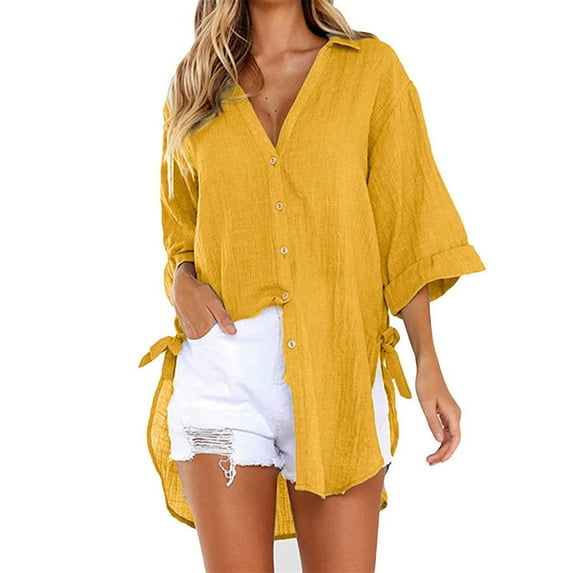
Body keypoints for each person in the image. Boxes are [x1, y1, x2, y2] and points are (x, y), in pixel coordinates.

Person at [138, 0, 486, 571]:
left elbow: (408, 227)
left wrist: (427, 362)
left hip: (340, 372)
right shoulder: (195, 85)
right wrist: (181, 281)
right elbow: (180, 228)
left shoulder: (370, 70)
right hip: (224, 375)